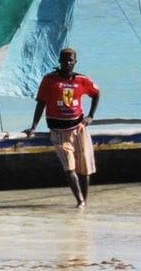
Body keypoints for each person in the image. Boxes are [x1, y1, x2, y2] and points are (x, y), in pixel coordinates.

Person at [25, 47, 100, 207]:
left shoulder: (82, 80)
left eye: (70, 60)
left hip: (79, 128)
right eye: (64, 60)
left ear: (75, 62)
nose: (67, 63)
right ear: (59, 61)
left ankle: (84, 202)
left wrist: (90, 116)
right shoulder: (50, 80)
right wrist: (33, 127)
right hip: (59, 131)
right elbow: (41, 103)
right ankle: (79, 201)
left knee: (84, 167)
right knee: (69, 166)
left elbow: (96, 93)